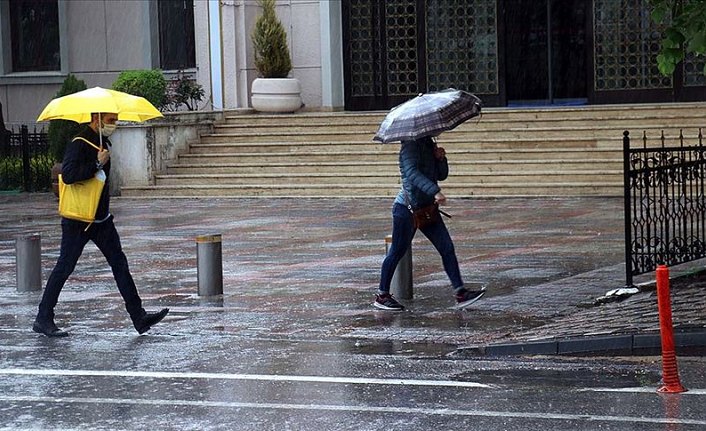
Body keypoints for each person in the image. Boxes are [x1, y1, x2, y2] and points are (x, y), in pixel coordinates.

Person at [32, 112, 169, 337]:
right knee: (64, 267)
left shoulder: (102, 142)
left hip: (101, 219)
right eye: (110, 120)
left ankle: (139, 317)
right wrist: (97, 163)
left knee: (119, 264)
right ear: (96, 120)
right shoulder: (79, 143)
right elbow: (67, 175)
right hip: (78, 220)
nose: (113, 124)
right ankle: (43, 317)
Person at [374, 135, 485, 311]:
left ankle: (460, 293)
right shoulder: (410, 146)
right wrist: (435, 191)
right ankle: (382, 295)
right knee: (397, 251)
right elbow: (412, 173)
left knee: (446, 247)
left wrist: (441, 159)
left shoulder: (427, 143)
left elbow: (441, 175)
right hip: (407, 209)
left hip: (427, 209)